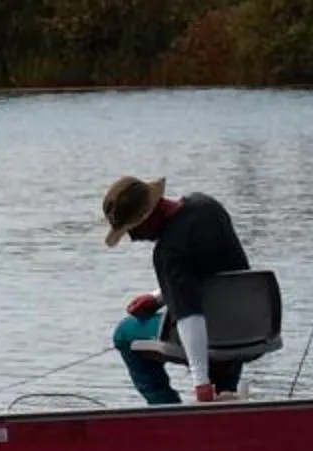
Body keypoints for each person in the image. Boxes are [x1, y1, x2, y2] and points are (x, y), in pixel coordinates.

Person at [101, 172, 252, 404]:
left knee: (124, 334)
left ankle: (166, 408)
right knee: (224, 320)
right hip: (247, 324)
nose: (133, 238)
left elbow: (190, 316)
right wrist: (158, 298)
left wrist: (200, 383)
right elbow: (212, 276)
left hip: (209, 330)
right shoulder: (207, 206)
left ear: (148, 216)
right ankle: (224, 395)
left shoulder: (169, 252)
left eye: (132, 229)